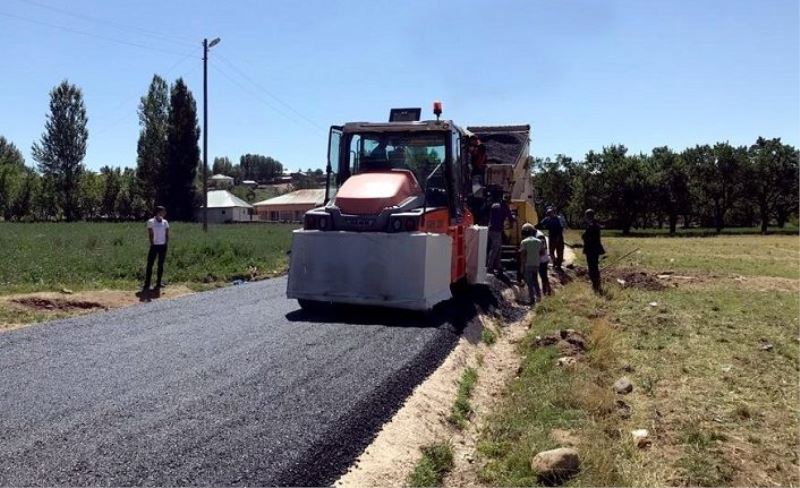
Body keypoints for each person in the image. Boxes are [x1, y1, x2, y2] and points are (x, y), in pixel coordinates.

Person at [487, 194, 516, 275]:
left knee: (498, 248)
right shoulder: (505, 208)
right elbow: (510, 218)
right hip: (497, 230)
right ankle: (490, 267)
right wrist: (513, 220)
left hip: (491, 229)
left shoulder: (494, 205)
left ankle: (498, 265)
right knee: (495, 248)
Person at [143, 206, 169, 293]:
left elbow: (167, 233)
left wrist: (166, 243)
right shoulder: (151, 221)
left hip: (163, 246)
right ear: (158, 212)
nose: (165, 213)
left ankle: (158, 283)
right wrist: (152, 243)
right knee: (150, 265)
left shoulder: (165, 222)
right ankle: (147, 284)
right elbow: (150, 233)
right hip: (154, 246)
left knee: (160, 265)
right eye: (163, 211)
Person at [581, 208, 605, 294]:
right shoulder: (595, 224)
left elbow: (587, 237)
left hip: (591, 249)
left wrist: (584, 237)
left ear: (588, 216)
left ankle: (595, 285)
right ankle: (596, 284)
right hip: (595, 249)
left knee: (592, 267)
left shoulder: (592, 225)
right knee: (594, 266)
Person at [519, 223, 542, 306]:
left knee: (529, 283)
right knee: (535, 281)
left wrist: (522, 267)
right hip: (536, 264)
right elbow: (542, 252)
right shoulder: (538, 241)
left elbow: (523, 255)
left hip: (528, 265)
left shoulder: (524, 242)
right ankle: (539, 297)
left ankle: (532, 299)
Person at [536, 230, 552, 295]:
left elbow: (542, 250)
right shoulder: (538, 235)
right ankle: (547, 290)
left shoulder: (539, 236)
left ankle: (546, 290)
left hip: (542, 259)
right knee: (543, 275)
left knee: (543, 275)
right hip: (542, 259)